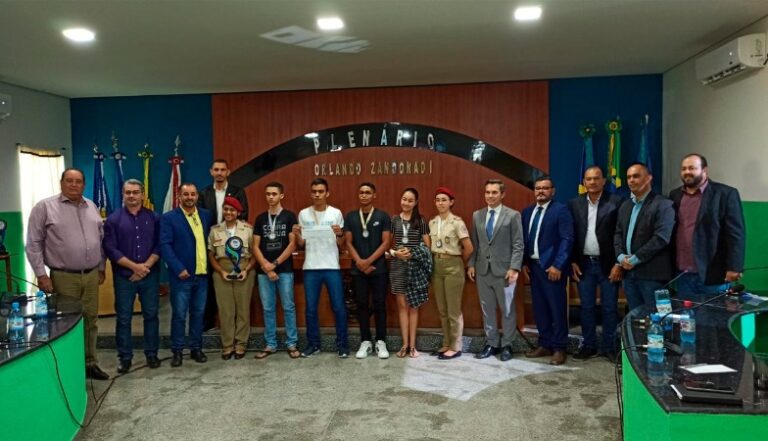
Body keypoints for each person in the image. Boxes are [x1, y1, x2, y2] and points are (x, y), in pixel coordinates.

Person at [26, 168, 109, 380]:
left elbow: (100, 240)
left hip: (91, 275)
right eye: (69, 180)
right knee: (67, 323)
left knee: (91, 320)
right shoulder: (45, 207)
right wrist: (41, 275)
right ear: (61, 183)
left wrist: (101, 267)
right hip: (63, 276)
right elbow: (33, 243)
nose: (74, 185)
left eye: (78, 181)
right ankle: (70, 367)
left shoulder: (91, 206)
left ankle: (90, 363)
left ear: (84, 184)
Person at [103, 179, 162, 373]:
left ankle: (152, 354)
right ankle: (125, 358)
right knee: (124, 318)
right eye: (128, 192)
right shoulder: (113, 219)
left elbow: (160, 244)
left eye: (135, 192)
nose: (132, 196)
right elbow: (110, 249)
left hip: (149, 275)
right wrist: (135, 267)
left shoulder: (154, 217)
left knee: (151, 316)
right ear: (123, 194)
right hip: (124, 277)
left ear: (142, 195)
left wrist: (145, 267)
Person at [669, 153, 745, 300]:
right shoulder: (675, 195)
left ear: (704, 170)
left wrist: (735, 267)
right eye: (684, 169)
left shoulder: (725, 194)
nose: (687, 172)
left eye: (692, 168)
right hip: (682, 274)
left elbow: (736, 234)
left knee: (714, 314)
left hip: (713, 274)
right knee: (686, 314)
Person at [567, 167, 624, 362]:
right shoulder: (574, 204)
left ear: (603, 181)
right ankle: (589, 345)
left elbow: (621, 234)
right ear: (584, 182)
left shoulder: (616, 202)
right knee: (586, 308)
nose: (592, 182)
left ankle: (609, 347)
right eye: (588, 179)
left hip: (608, 264)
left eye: (596, 178)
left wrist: (619, 263)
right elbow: (571, 235)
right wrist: (572, 261)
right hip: (584, 264)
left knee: (609, 308)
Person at [467, 179, 524, 362]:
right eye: (487, 192)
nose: (490, 196)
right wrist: (471, 264)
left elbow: (518, 244)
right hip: (483, 270)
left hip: (505, 271)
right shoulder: (477, 215)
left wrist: (514, 267)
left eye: (494, 192)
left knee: (507, 309)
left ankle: (507, 344)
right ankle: (492, 343)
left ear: (502, 194)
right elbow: (475, 244)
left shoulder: (512, 215)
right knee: (487, 309)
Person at [292, 178, 349, 358]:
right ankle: (313, 344)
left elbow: (340, 243)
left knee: (339, 307)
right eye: (314, 191)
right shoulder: (303, 214)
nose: (317, 194)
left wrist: (340, 234)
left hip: (332, 266)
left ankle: (343, 345)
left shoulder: (336, 213)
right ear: (311, 193)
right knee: (310, 309)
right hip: (311, 266)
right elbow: (302, 243)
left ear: (327, 193)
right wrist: (297, 235)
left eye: (321, 191)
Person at [522, 176, 574, 366]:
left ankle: (559, 348)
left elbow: (567, 239)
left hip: (552, 268)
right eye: (538, 188)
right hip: (534, 267)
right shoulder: (527, 212)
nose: (541, 191)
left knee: (556, 309)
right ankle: (544, 344)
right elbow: (525, 239)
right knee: (540, 308)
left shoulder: (561, 211)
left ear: (553, 191)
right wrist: (524, 263)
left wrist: (558, 265)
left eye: (545, 188)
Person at [160, 182, 213, 367]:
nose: (190, 197)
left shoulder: (206, 215)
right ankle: (177, 351)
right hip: (182, 276)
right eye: (186, 194)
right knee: (180, 315)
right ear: (179, 196)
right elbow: (165, 245)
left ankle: (196, 348)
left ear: (197, 196)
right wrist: (178, 268)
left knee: (198, 314)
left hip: (202, 275)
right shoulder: (169, 218)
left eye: (193, 194)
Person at [614, 163, 675, 311]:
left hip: (652, 276)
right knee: (636, 318)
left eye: (636, 176)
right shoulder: (625, 205)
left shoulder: (663, 204)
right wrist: (620, 257)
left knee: (658, 318)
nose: (631, 180)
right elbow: (618, 234)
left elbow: (661, 238)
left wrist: (635, 259)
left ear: (648, 178)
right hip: (629, 275)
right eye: (629, 177)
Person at [198, 158, 249, 331]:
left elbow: (244, 215)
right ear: (211, 172)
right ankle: (209, 322)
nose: (219, 173)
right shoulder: (204, 193)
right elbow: (201, 219)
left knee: (235, 286)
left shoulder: (238, 191)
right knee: (212, 283)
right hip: (213, 241)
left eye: (222, 170)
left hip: (234, 240)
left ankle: (233, 324)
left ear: (228, 172)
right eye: (216, 170)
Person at [252, 182, 300, 359]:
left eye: (274, 194)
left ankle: (292, 343)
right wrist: (266, 266)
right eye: (268, 194)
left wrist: (275, 264)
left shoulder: (289, 216)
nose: (270, 197)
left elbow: (292, 244)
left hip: (284, 269)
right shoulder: (260, 218)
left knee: (288, 307)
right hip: (264, 271)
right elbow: (255, 246)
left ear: (281, 195)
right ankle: (270, 344)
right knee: (268, 308)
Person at [344, 183, 391, 359]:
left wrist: (368, 262)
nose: (364, 195)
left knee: (380, 305)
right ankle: (365, 341)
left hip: (378, 269)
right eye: (361, 192)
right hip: (358, 270)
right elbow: (348, 242)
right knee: (361, 305)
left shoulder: (382, 216)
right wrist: (360, 262)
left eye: (368, 192)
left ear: (374, 195)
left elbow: (386, 242)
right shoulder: (351, 217)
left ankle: (381, 341)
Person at [208, 196, 256, 360]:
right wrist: (221, 271)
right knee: (226, 310)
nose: (228, 212)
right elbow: (211, 255)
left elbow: (254, 253)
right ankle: (227, 344)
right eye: (226, 209)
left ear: (238, 212)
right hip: (222, 271)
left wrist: (247, 270)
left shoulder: (247, 230)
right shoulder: (215, 230)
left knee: (243, 309)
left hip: (244, 270)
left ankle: (241, 343)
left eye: (232, 210)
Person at [429, 186, 473, 360]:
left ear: (451, 202)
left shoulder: (457, 222)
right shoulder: (433, 222)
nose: (440, 203)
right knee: (442, 309)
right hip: (437, 265)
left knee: (453, 310)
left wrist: (458, 261)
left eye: (444, 200)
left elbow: (469, 248)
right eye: (438, 200)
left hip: (453, 265)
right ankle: (446, 343)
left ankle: (456, 346)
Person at [389, 188, 431, 358]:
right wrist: (395, 253)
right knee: (402, 307)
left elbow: (428, 247)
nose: (406, 203)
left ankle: (413, 346)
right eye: (404, 199)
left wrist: (412, 253)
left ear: (416, 203)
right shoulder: (394, 220)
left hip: (415, 269)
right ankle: (404, 345)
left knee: (413, 307)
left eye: (410, 200)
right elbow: (387, 246)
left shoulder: (421, 220)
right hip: (398, 267)